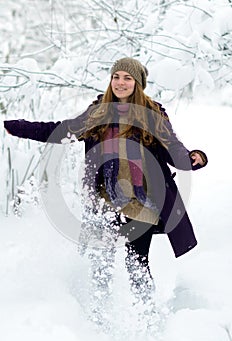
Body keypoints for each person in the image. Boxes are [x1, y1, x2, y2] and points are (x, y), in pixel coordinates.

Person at [4, 57, 207, 310]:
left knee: (137, 262)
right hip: (104, 200)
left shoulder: (152, 114)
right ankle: (99, 316)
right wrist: (18, 126)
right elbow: (60, 131)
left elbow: (173, 148)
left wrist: (191, 159)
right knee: (101, 262)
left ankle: (147, 316)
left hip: (141, 200)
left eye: (127, 78)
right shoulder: (98, 112)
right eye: (116, 77)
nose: (120, 82)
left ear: (138, 84)